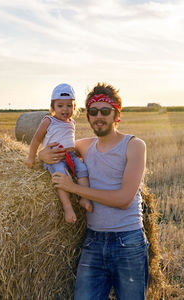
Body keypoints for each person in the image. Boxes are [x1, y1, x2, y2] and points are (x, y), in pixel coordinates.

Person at [39, 82, 149, 300]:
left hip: (128, 242)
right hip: (93, 242)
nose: (99, 116)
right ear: (87, 116)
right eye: (93, 111)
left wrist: (74, 188)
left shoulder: (134, 145)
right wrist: (42, 155)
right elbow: (56, 148)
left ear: (117, 115)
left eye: (105, 111)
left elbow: (124, 199)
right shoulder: (85, 146)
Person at [25, 83, 93, 223]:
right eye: (60, 105)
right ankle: (67, 207)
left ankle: (84, 198)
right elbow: (36, 139)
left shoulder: (72, 122)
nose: (65, 109)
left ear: (74, 107)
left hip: (71, 157)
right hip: (54, 159)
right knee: (61, 177)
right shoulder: (48, 120)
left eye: (69, 105)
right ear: (53, 107)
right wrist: (31, 157)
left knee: (83, 169)